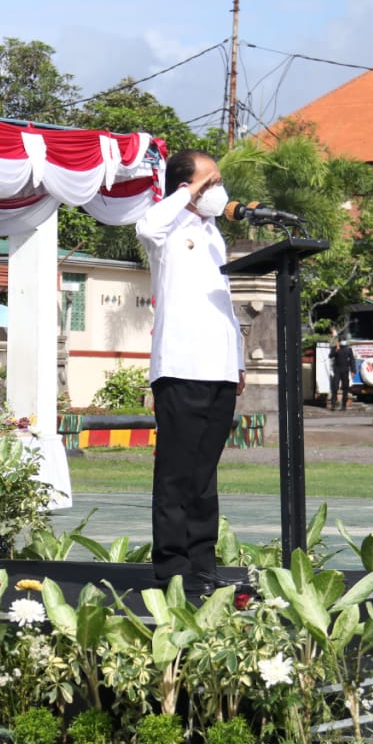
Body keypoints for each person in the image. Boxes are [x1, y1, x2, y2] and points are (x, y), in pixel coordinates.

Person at [134, 149, 244, 596]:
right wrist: (189, 193)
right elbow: (146, 226)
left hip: (219, 368)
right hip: (181, 367)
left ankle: (202, 563)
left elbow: (224, 302)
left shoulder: (214, 234)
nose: (218, 189)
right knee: (176, 474)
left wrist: (237, 360)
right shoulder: (167, 228)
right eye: (210, 181)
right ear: (186, 187)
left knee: (204, 475)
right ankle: (172, 568)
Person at [330, 336, 355, 411]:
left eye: (344, 340)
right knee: (335, 387)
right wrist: (336, 350)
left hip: (345, 370)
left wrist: (353, 371)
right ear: (339, 341)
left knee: (345, 388)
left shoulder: (348, 349)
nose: (343, 342)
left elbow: (352, 360)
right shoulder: (335, 348)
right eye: (342, 340)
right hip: (337, 370)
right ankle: (333, 404)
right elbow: (330, 356)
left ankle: (344, 405)